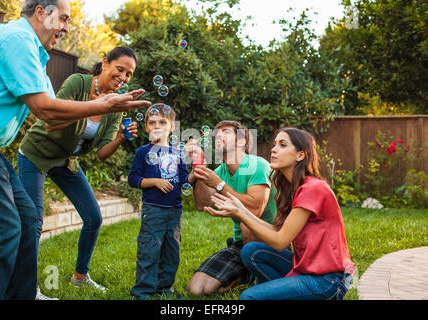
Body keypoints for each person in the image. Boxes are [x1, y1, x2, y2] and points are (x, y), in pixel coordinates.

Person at [0, 0, 150, 300]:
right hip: (20, 151)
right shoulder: (18, 40)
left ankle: (23, 294)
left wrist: (112, 118)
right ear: (41, 12)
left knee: (27, 217)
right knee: (2, 229)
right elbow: (46, 115)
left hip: (6, 149)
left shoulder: (35, 55)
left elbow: (59, 117)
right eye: (63, 19)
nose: (67, 28)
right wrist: (98, 105)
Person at [17, 46, 142, 299]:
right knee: (33, 222)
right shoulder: (79, 82)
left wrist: (119, 138)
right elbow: (53, 122)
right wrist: (100, 103)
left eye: (129, 74)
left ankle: (80, 277)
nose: (124, 78)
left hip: (66, 161)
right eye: (120, 69)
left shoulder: (116, 105)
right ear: (105, 63)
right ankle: (27, 289)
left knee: (94, 218)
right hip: (37, 155)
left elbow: (100, 154)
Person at [205, 127, 355, 300]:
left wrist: (241, 212)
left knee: (248, 297)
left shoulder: (313, 189)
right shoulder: (293, 188)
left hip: (328, 280)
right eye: (275, 144)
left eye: (282, 145)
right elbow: (278, 230)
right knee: (251, 251)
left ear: (300, 155)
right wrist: (240, 211)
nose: (273, 149)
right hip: (305, 269)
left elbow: (280, 241)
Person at [186, 120, 277, 296]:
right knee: (197, 290)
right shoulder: (221, 171)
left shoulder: (257, 165)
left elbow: (254, 210)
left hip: (271, 242)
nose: (218, 135)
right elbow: (201, 204)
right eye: (217, 133)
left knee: (246, 223)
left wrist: (219, 184)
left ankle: (259, 276)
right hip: (240, 244)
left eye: (225, 132)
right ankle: (246, 274)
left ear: (242, 141)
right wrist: (200, 167)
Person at [128, 104, 196, 300]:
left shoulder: (178, 154)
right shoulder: (143, 152)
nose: (157, 126)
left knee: (171, 251)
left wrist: (193, 174)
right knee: (149, 249)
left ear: (172, 127)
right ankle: (142, 291)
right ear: (147, 128)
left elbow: (184, 182)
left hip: (174, 211)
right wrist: (155, 182)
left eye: (163, 122)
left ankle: (165, 287)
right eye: (152, 122)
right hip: (153, 210)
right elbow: (133, 179)